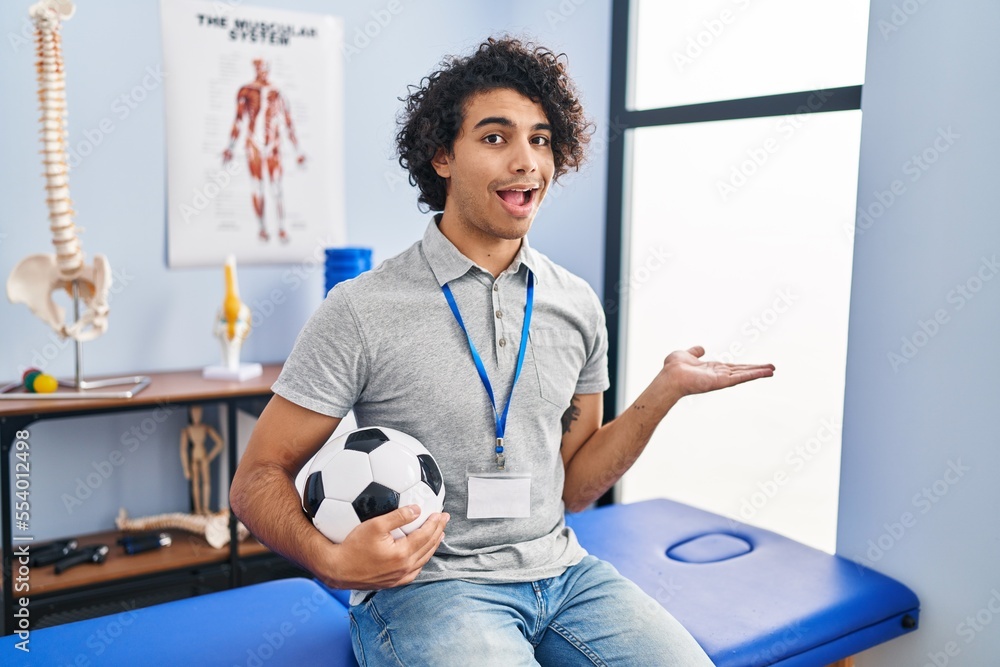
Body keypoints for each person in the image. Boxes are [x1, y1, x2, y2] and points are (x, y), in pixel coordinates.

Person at [230, 37, 774, 666]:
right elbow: (257, 480)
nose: (526, 162)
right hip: (431, 589)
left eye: (540, 140)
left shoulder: (576, 303)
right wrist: (333, 559)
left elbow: (575, 487)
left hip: (568, 576)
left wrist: (665, 389)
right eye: (495, 138)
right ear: (442, 155)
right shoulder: (361, 308)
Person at [222, 58, 306, 243]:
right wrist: (230, 147)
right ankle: (261, 227)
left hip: (273, 143)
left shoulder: (278, 92)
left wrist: (298, 151)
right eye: (259, 68)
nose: (262, 71)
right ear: (255, 68)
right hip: (254, 143)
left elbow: (288, 121)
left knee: (276, 187)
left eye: (265, 68)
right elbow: (238, 120)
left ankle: (281, 228)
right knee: (257, 187)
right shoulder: (246, 90)